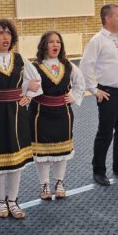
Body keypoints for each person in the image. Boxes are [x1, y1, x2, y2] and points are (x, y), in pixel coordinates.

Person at [0, 19, 42, 219]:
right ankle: (1, 202)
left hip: (17, 113)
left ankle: (13, 201)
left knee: (16, 160)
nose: (5, 37)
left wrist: (28, 96)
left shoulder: (20, 59)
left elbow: (37, 82)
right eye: (0, 33)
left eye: (8, 33)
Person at [80, 4, 118, 186]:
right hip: (109, 94)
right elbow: (85, 66)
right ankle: (99, 170)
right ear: (107, 18)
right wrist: (94, 89)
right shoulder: (97, 40)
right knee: (105, 134)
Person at [30, 31, 85, 199]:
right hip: (40, 114)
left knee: (62, 151)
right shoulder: (34, 66)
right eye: (51, 42)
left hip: (63, 114)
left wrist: (74, 96)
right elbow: (26, 86)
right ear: (44, 45)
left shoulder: (68, 65)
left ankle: (59, 182)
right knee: (43, 152)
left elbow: (80, 83)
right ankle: (45, 185)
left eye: (58, 42)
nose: (55, 45)